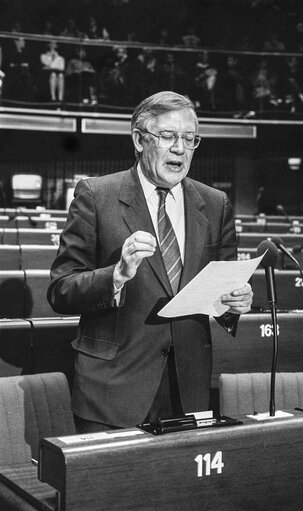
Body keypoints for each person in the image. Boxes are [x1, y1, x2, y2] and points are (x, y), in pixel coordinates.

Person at [47, 90, 253, 433]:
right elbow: (60, 290)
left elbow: (223, 288)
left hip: (188, 391)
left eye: (189, 138)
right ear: (140, 139)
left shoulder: (215, 203)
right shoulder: (96, 196)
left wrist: (235, 303)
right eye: (168, 136)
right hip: (112, 393)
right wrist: (116, 275)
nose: (180, 148)